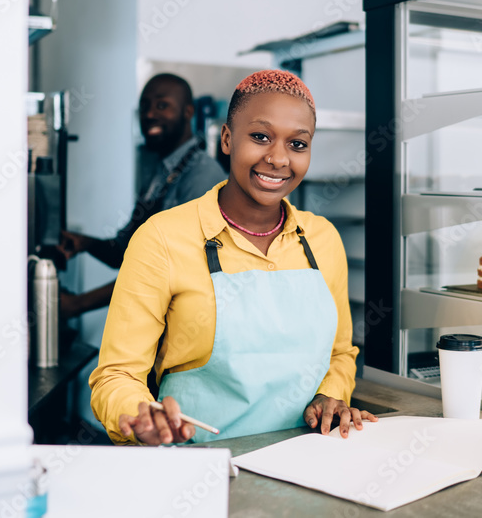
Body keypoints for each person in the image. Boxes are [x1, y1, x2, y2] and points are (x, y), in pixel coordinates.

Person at [90, 69, 375, 445]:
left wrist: (331, 394)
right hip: (199, 470)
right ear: (227, 139)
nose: (278, 158)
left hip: (304, 464)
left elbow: (340, 353)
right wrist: (141, 417)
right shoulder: (162, 238)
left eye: (298, 144)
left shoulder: (322, 239)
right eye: (260, 137)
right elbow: (116, 376)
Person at [56, 73, 225, 317]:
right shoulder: (159, 172)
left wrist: (78, 304)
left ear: (188, 112)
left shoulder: (202, 177)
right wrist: (85, 243)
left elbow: (168, 272)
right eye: (144, 106)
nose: (149, 114)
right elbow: (125, 251)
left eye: (162, 105)